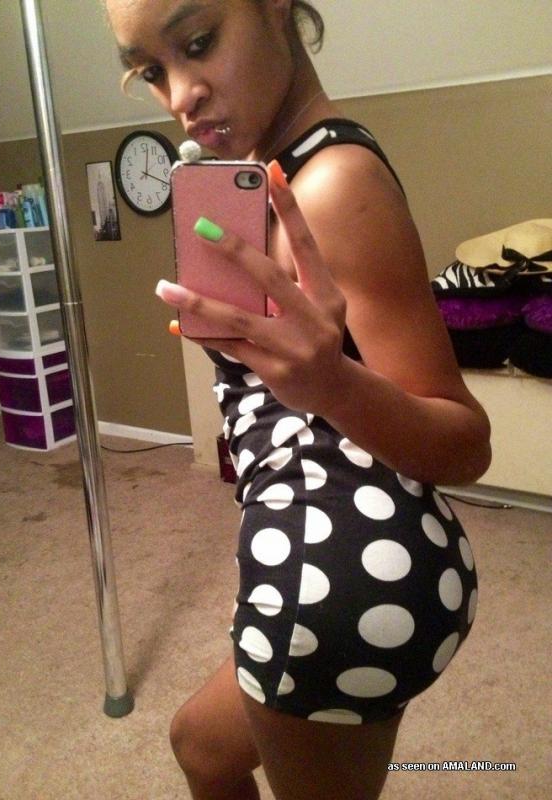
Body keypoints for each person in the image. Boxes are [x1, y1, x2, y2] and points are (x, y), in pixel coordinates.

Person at [105, 2, 492, 798]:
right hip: (360, 563)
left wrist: (334, 384)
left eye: (198, 43)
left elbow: (466, 445)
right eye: (151, 72)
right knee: (202, 747)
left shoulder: (332, 182)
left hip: (336, 582)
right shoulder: (274, 169)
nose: (180, 95)